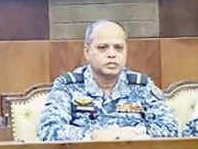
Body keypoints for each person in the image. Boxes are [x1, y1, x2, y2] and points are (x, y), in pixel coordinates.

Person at [39, 20, 178, 141]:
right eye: (102, 48)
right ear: (87, 52)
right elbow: (49, 130)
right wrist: (94, 136)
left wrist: (133, 134)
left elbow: (171, 128)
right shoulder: (68, 85)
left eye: (118, 48)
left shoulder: (142, 86)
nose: (112, 54)